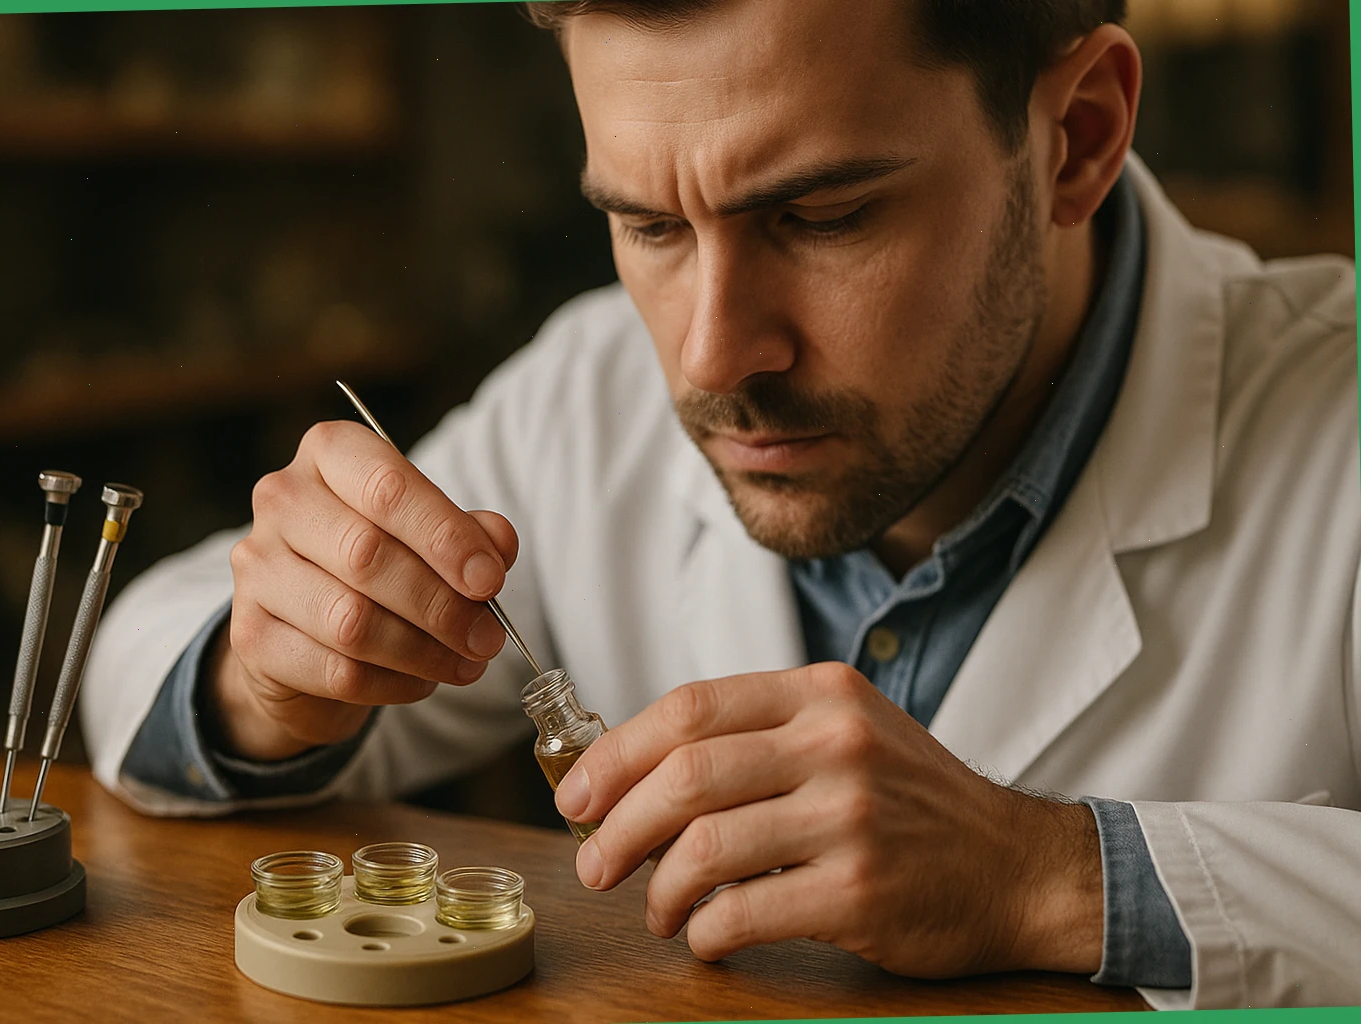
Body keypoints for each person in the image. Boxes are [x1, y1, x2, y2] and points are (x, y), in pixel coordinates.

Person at [78, 0, 1361, 1010]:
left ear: (1076, 134)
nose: (704, 359)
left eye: (821, 215)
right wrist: (267, 681)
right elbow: (145, 650)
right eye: (649, 227)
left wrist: (1044, 875)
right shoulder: (589, 389)